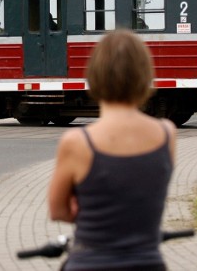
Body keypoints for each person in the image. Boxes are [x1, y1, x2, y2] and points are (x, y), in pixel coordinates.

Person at [48, 29, 177, 271]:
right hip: (147, 264)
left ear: (94, 76)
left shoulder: (76, 142)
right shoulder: (167, 134)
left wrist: (94, 213)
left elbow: (57, 210)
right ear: (145, 74)